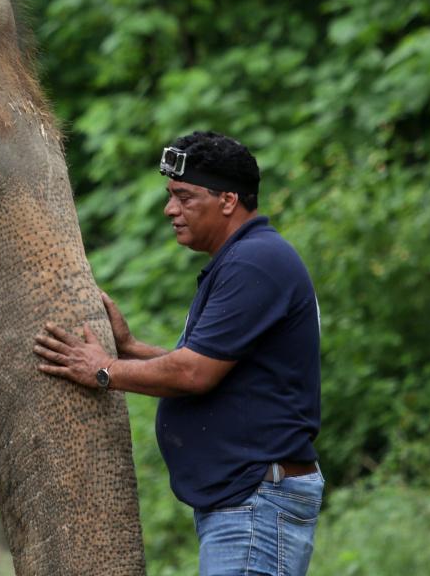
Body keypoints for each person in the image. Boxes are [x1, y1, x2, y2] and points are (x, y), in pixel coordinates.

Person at [33, 130, 323, 576]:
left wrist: (104, 371)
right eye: (170, 196)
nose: (170, 210)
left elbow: (193, 375)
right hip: (248, 498)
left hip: (255, 500)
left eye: (184, 197)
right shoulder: (244, 259)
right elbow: (217, 367)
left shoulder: (254, 262)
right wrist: (129, 350)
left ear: (228, 201)